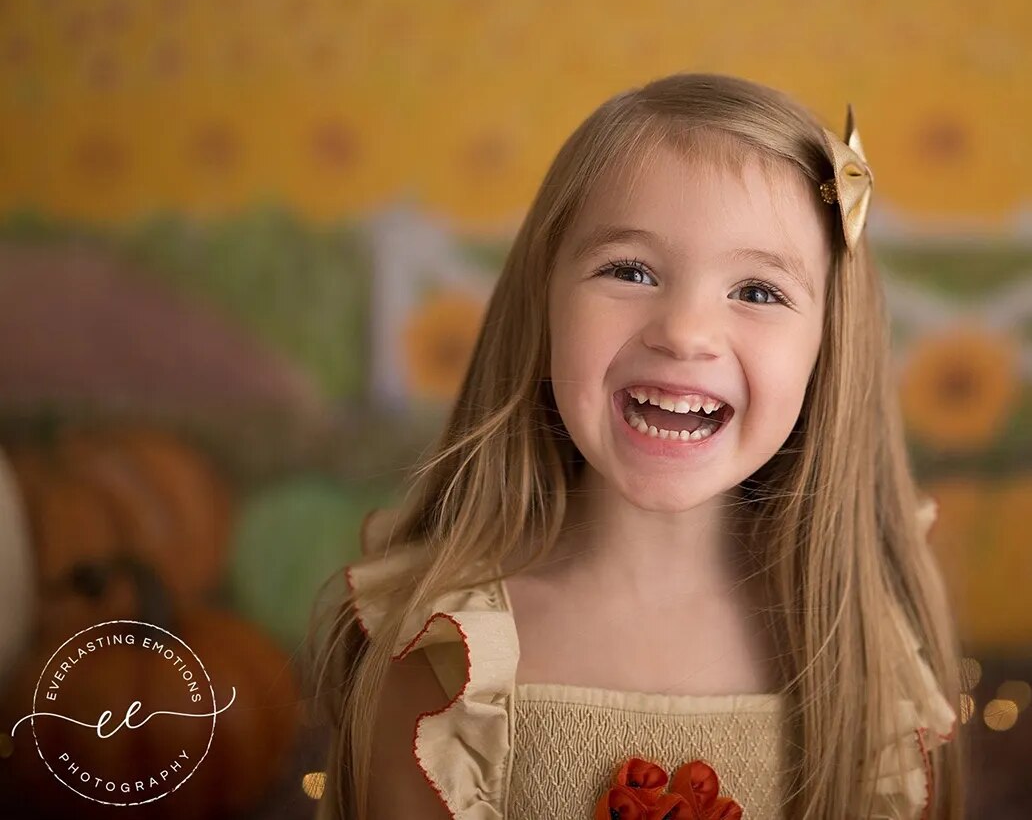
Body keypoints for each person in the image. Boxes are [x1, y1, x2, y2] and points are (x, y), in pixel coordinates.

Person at [303, 72, 964, 820]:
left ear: (828, 345)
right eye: (630, 270)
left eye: (756, 291)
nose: (684, 331)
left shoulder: (863, 639)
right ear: (542, 304)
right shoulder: (451, 649)